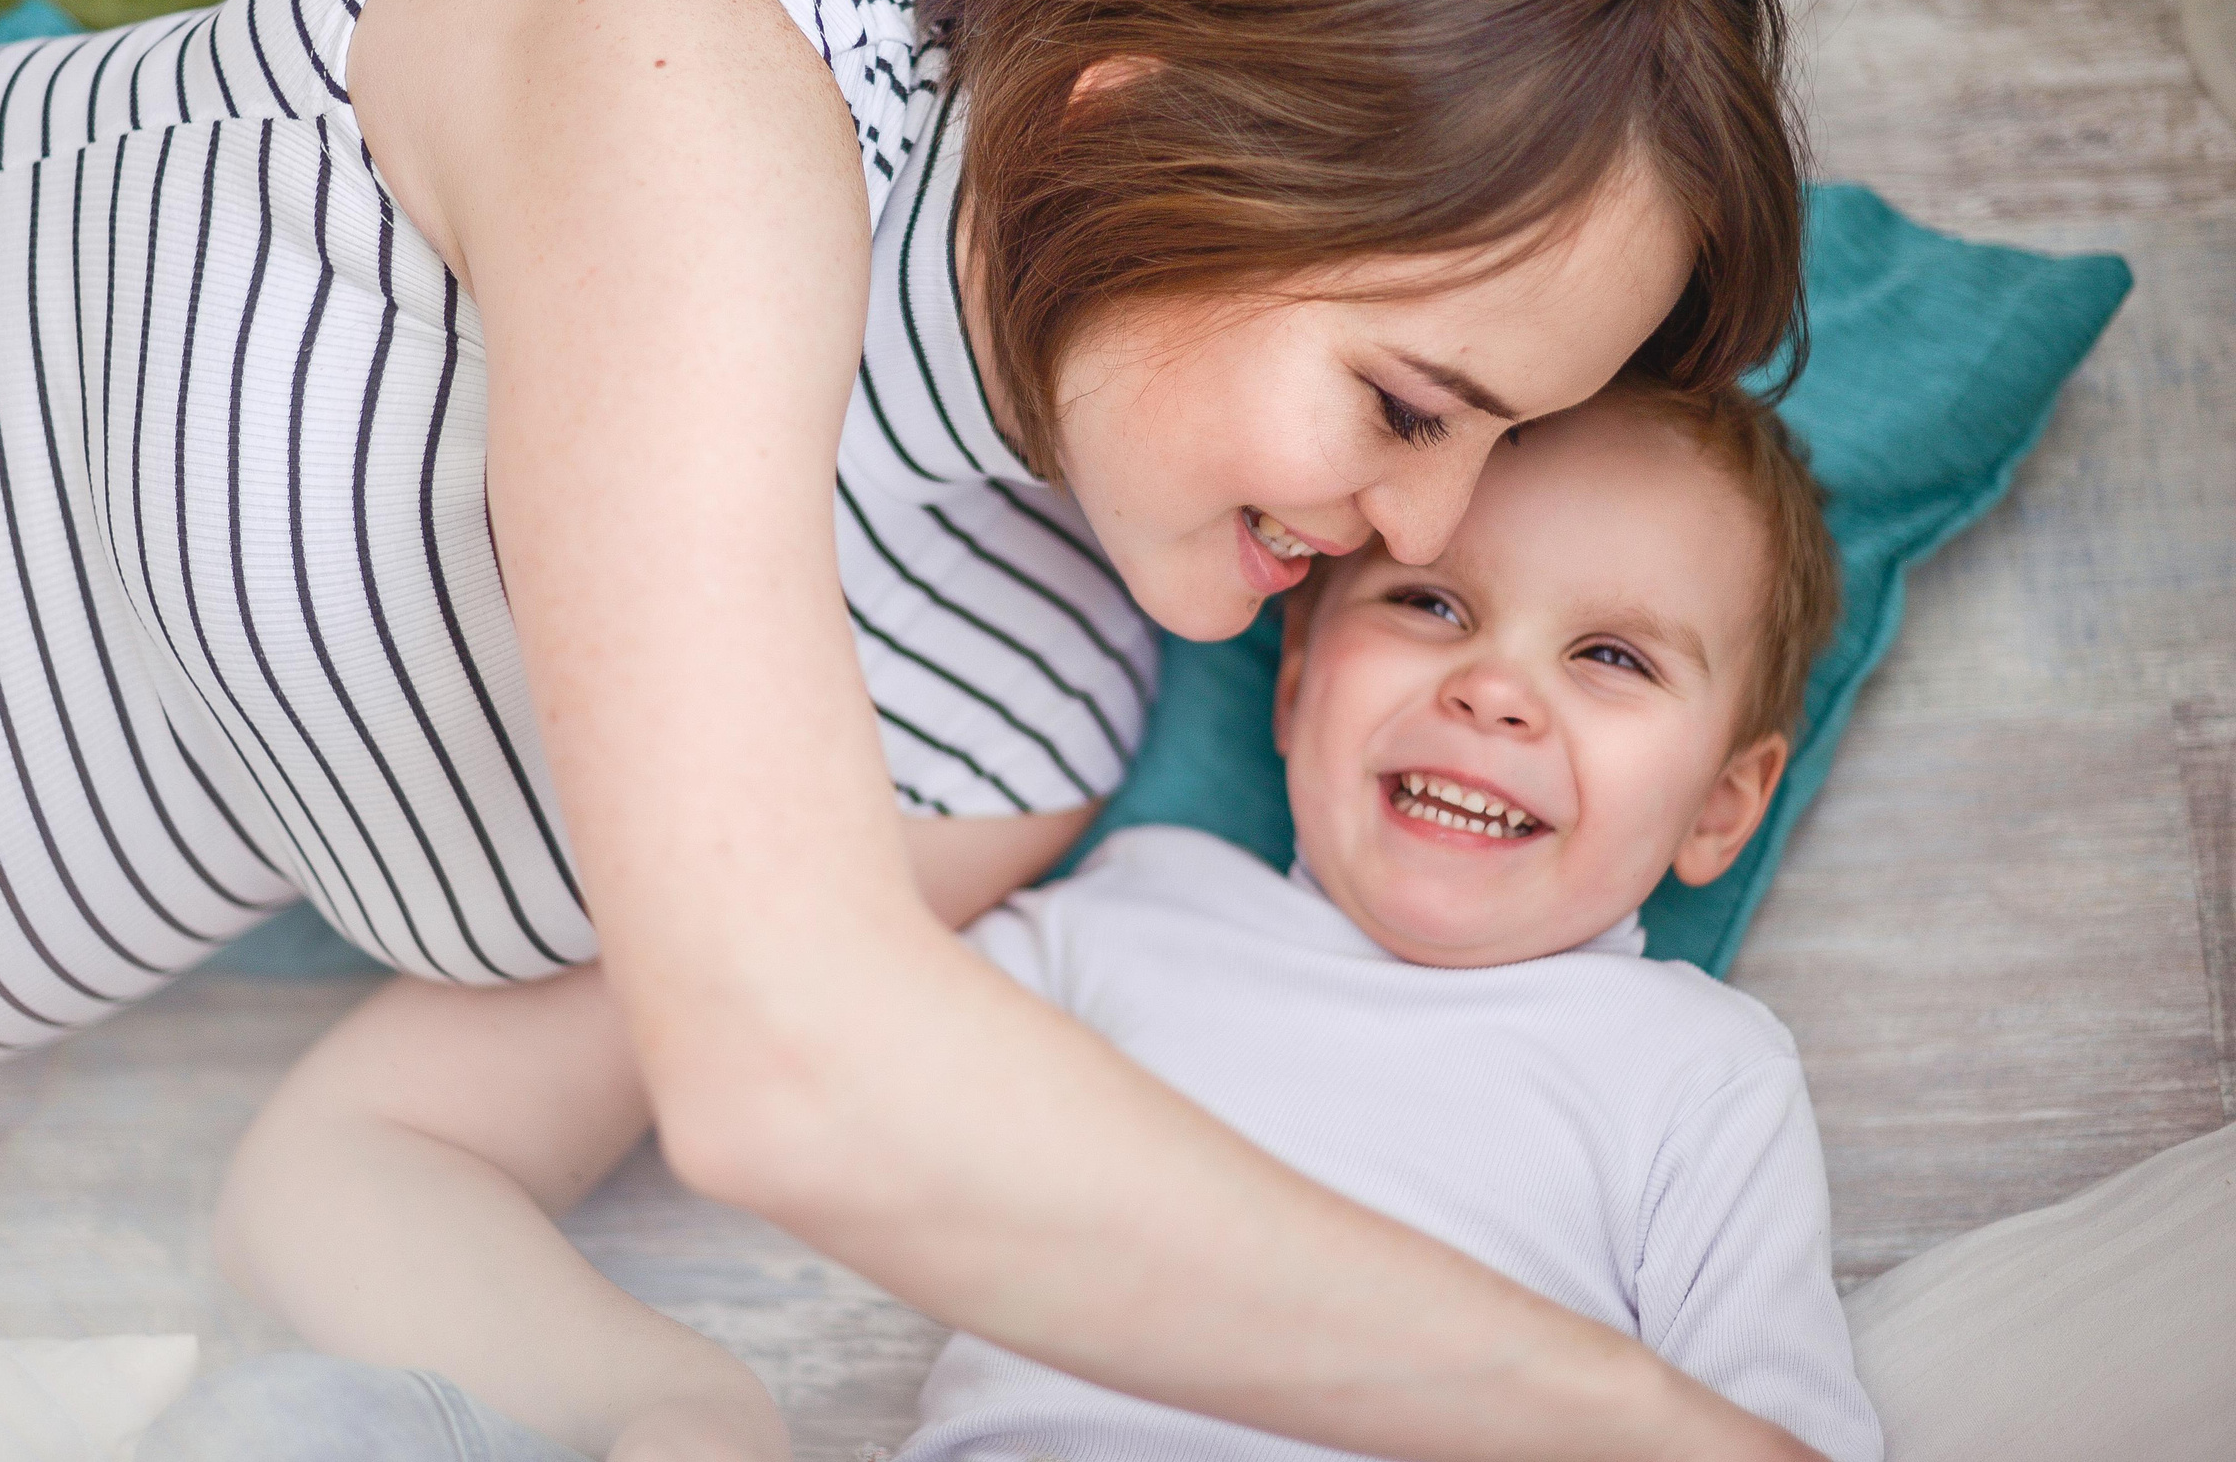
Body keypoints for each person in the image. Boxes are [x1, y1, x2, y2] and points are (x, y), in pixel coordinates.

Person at [0, 0, 1823, 1454]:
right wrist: (1638, 1427)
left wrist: (662, 1405)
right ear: (1147, 120)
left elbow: (383, 1161)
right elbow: (786, 1064)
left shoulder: (1019, 712)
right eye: (1400, 401)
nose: (1403, 521)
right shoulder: (681, 42)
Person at [144, 376, 1876, 1462]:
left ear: (1726, 800)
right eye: (1429, 605)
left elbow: (1772, 1440)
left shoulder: (1689, 1068)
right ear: (1291, 687)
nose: (1497, 692)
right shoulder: (1121, 917)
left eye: (1612, 657)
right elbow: (808, 1035)